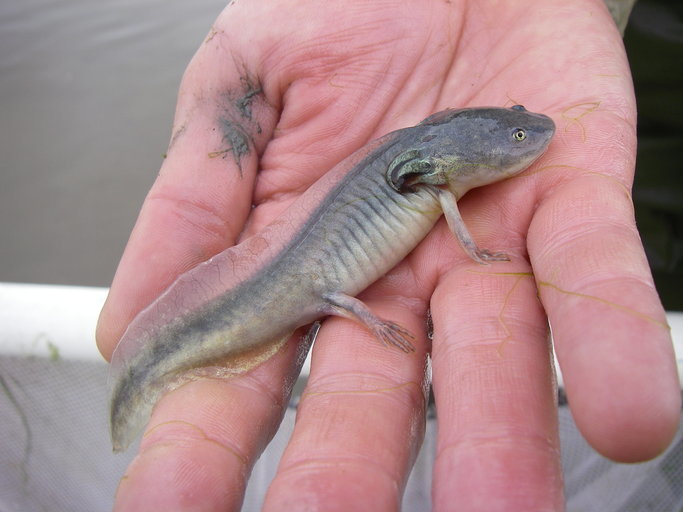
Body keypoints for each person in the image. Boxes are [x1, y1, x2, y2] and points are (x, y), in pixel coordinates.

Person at [96, 0, 680, 510]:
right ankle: (145, 375)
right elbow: (453, 230)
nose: (526, 138)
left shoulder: (437, 168)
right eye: (517, 137)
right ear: (449, 155)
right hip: (323, 286)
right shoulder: (436, 175)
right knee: (319, 304)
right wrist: (402, 297)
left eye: (518, 133)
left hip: (332, 283)